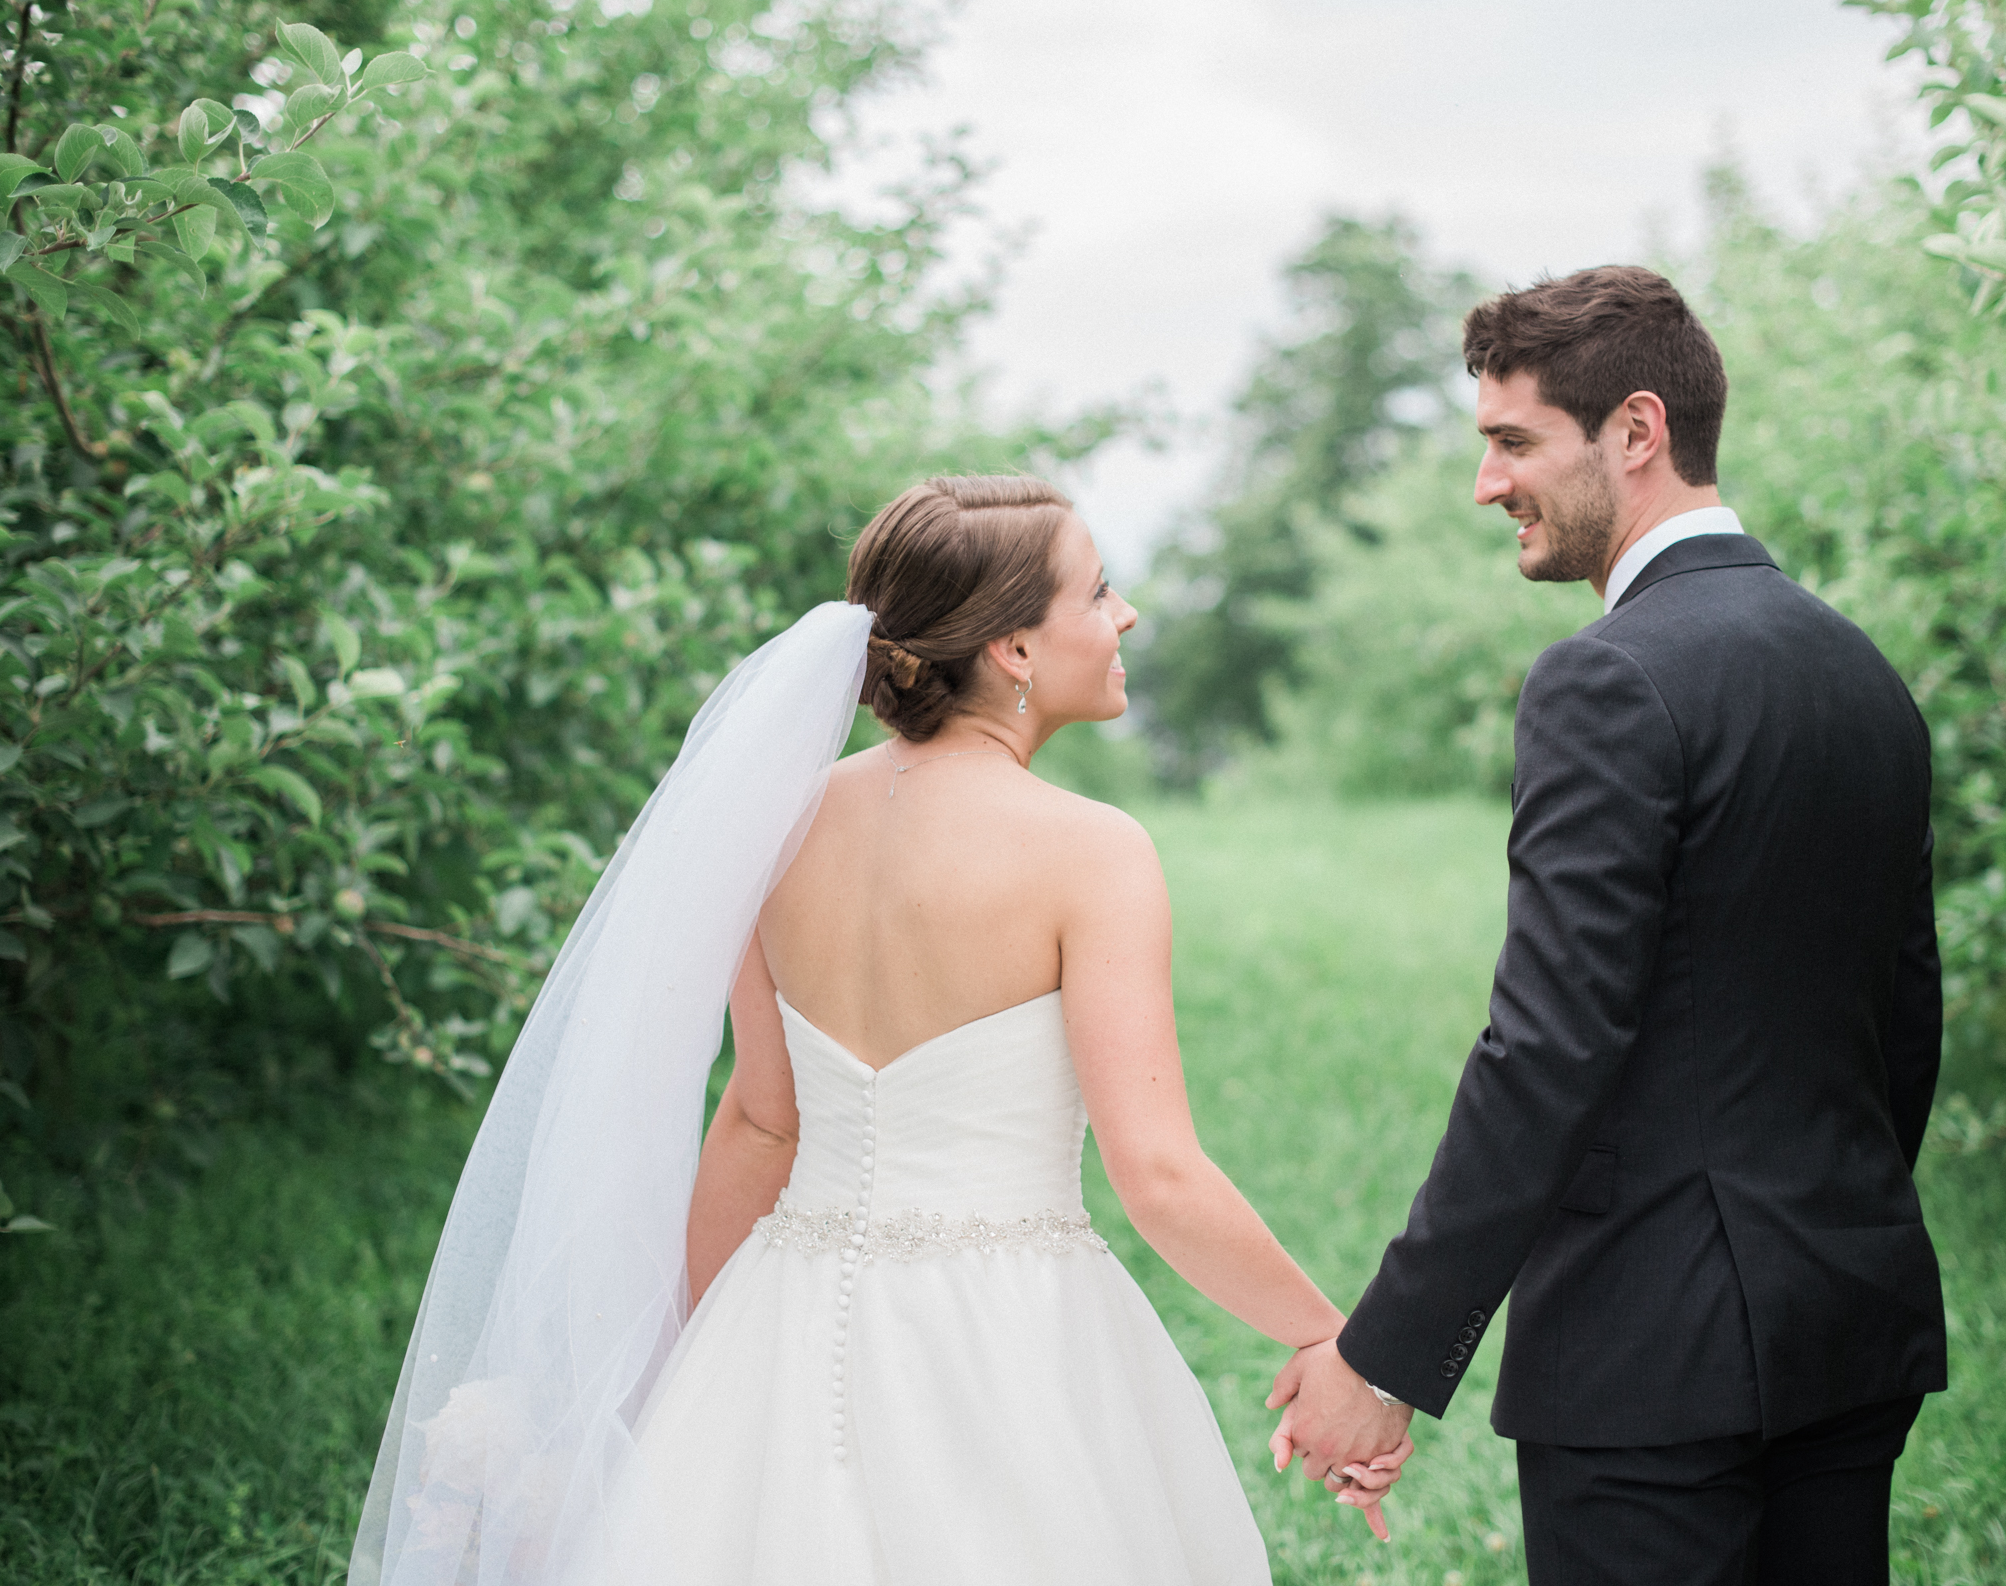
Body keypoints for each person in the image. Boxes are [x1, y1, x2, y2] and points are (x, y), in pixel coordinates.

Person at [352, 475, 1401, 1586]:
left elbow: (760, 1121)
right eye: (1097, 592)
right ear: (1013, 650)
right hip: (1008, 1334)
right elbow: (1158, 1175)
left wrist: (697, 1357)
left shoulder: (777, 827)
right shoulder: (1093, 852)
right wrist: (1339, 1344)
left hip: (786, 1315)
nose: (1124, 613)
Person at [1268, 266, 1948, 1585]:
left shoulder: (1606, 678)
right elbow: (1900, 1015)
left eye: (1512, 442)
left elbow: (1547, 1049)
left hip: (1654, 1362)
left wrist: (1385, 1358)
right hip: (1846, 1318)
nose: (1487, 485)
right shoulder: (1860, 670)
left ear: (1636, 431)